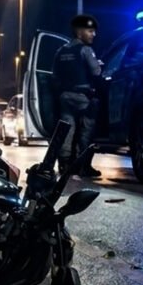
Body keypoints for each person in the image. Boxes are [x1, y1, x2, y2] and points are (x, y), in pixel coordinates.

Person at [51, 14, 104, 178]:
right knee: (87, 131)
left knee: (67, 130)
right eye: (90, 31)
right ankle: (84, 165)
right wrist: (99, 64)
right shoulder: (85, 50)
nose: (94, 34)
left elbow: (55, 76)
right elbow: (96, 72)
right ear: (79, 32)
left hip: (65, 97)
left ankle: (65, 163)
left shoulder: (61, 51)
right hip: (84, 97)